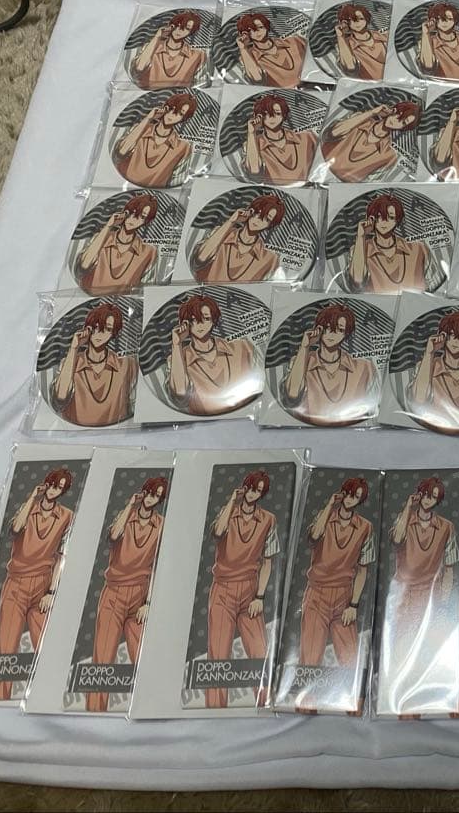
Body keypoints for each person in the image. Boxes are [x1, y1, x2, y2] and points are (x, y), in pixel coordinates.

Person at [0, 469, 75, 701]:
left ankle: (49, 699)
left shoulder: (67, 515)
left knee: (48, 648)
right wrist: (31, 499)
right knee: (5, 649)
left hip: (43, 584)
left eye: (60, 488)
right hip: (16, 583)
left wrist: (51, 591)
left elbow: (63, 556)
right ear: (46, 484)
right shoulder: (27, 509)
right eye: (53, 485)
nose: (55, 490)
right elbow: (15, 529)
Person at [85, 477, 168, 712]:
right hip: (114, 591)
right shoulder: (126, 516)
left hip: (141, 593)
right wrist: (130, 506)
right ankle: (95, 710)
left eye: (157, 496)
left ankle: (151, 708)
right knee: (103, 658)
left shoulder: (161, 524)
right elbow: (113, 536)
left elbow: (158, 564)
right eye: (150, 493)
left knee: (144, 658)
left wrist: (148, 602)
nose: (151, 498)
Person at [387, 476, 459, 718]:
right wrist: (408, 508)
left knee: (427, 652)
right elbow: (396, 539)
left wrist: (443, 602)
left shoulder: (446, 527)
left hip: (430, 594)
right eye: (426, 495)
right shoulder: (405, 521)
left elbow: (449, 568)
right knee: (400, 650)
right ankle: (400, 703)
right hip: (404, 593)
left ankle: (424, 702)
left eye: (434, 497)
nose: (429, 500)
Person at [205, 470, 278, 708]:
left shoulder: (268, 519)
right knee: (218, 654)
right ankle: (215, 709)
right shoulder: (228, 513)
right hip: (223, 588)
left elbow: (268, 561)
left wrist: (260, 596)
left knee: (260, 652)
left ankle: (266, 705)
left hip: (250, 589)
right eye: (251, 488)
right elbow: (217, 532)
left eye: (259, 491)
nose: (253, 494)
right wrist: (231, 501)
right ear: (244, 487)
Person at [299, 477, 375, 681]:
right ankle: (305, 698)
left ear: (360, 500)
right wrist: (329, 506)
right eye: (348, 493)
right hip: (317, 593)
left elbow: (363, 570)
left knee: (351, 660)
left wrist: (353, 605)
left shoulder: (366, 527)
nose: (350, 499)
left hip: (344, 595)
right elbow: (314, 537)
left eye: (356, 496)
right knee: (309, 658)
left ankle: (354, 698)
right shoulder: (325, 517)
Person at [284, 303, 377, 427]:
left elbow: (374, 410)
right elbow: (292, 396)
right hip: (309, 430)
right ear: (319, 329)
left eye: (340, 329)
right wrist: (304, 346)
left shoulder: (364, 367)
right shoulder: (301, 361)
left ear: (346, 333)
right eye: (328, 327)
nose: (332, 333)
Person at [167, 293, 257, 416]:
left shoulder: (242, 347)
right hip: (203, 423)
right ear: (185, 323)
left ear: (214, 320)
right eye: (194, 319)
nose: (200, 324)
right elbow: (180, 396)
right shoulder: (178, 358)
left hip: (247, 416)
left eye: (206, 318)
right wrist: (177, 344)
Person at [51, 302, 137, 427]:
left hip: (119, 431)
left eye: (107, 329)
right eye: (96, 327)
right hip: (74, 431)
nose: (99, 333)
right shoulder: (70, 361)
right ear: (88, 329)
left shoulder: (127, 364)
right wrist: (74, 347)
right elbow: (60, 397)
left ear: (113, 333)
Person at [74, 194, 161, 294]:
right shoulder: (102, 237)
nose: (134, 218)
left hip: (121, 301)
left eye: (142, 216)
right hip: (87, 296)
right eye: (133, 212)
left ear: (145, 222)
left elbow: (145, 290)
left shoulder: (149, 252)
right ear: (125, 212)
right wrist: (108, 226)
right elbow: (84, 266)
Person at [320, 100, 420, 183]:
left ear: (403, 128)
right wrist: (372, 112)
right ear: (392, 110)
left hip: (338, 186)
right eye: (397, 114)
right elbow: (333, 132)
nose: (395, 120)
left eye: (403, 122)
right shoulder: (360, 118)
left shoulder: (389, 156)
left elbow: (368, 184)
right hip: (319, 165)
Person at [348, 193, 429, 293]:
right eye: (379, 216)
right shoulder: (359, 248)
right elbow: (357, 282)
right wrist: (361, 236)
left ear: (397, 220)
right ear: (371, 219)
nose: (384, 221)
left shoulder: (418, 249)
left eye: (390, 217)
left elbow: (434, 286)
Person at [193, 194, 283, 283]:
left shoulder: (270, 259)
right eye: (258, 213)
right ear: (250, 211)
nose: (258, 219)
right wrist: (231, 221)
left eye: (267, 219)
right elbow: (200, 259)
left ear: (270, 225)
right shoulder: (222, 232)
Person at [115, 92, 196, 188]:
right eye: (172, 108)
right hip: (121, 182)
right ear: (165, 107)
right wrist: (148, 118)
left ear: (183, 119)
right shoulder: (141, 128)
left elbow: (177, 182)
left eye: (180, 113)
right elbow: (122, 151)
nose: (172, 114)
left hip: (155, 191)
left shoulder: (183, 147)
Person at [243, 93, 317, 185]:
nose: (272, 117)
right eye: (266, 113)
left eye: (277, 113)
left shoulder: (307, 137)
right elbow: (254, 173)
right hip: (275, 191)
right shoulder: (253, 143)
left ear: (284, 115)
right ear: (259, 116)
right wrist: (251, 132)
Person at [132, 11, 206, 89]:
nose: (180, 30)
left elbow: (201, 83)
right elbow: (139, 68)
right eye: (178, 25)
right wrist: (157, 36)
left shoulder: (197, 55)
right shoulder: (152, 47)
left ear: (191, 32)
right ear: (171, 25)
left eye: (187, 28)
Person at [235, 11, 306, 89]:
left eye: (260, 27)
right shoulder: (248, 57)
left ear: (266, 27)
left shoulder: (294, 41)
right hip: (285, 94)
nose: (256, 32)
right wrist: (243, 48)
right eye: (250, 30)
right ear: (244, 34)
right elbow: (257, 79)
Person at [418, 1, 459, 81]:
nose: (444, 22)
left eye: (449, 18)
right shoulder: (428, 42)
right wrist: (425, 33)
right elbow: (428, 67)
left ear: (455, 20)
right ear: (433, 20)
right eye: (440, 18)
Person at [333, 3, 387, 81]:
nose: (357, 22)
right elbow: (350, 68)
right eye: (352, 20)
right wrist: (340, 36)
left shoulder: (382, 36)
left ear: (366, 18)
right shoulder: (346, 44)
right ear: (345, 23)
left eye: (360, 18)